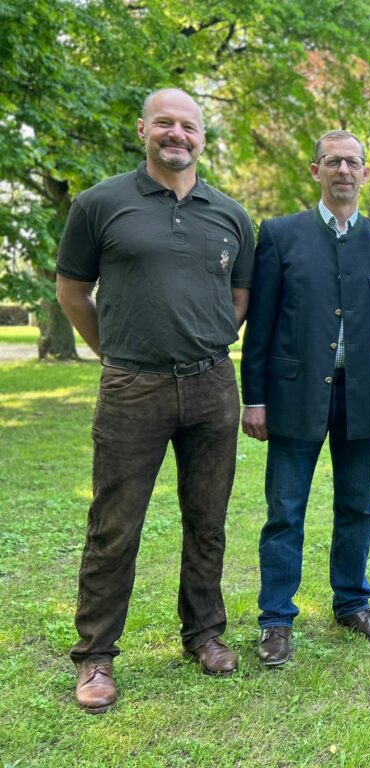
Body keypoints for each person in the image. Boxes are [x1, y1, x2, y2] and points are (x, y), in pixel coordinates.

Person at [56, 88, 255, 713]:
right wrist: (115, 350)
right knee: (114, 526)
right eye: (165, 124)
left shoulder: (231, 215)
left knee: (208, 521)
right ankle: (95, 657)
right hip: (131, 386)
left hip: (212, 385)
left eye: (189, 126)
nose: (177, 135)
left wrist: (208, 340)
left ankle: (204, 635)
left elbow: (239, 301)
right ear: (143, 128)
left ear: (203, 137)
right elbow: (72, 292)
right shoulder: (99, 204)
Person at [240, 130, 370, 665]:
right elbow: (260, 324)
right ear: (315, 171)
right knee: (285, 511)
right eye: (332, 161)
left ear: (366, 173)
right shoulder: (281, 236)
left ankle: (352, 602)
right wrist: (254, 398)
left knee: (357, 508)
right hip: (292, 397)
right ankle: (276, 620)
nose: (343, 170)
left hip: (364, 397)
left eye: (352, 162)